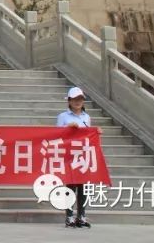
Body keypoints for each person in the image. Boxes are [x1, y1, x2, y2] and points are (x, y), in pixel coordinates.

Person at [58, 87, 93, 229]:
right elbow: (56, 135)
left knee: (83, 187)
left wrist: (96, 132)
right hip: (69, 155)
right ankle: (69, 216)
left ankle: (82, 216)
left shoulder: (86, 117)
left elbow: (88, 135)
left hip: (83, 154)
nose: (78, 102)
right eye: (74, 99)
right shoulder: (63, 117)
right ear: (69, 101)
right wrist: (68, 128)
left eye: (80, 99)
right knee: (70, 187)